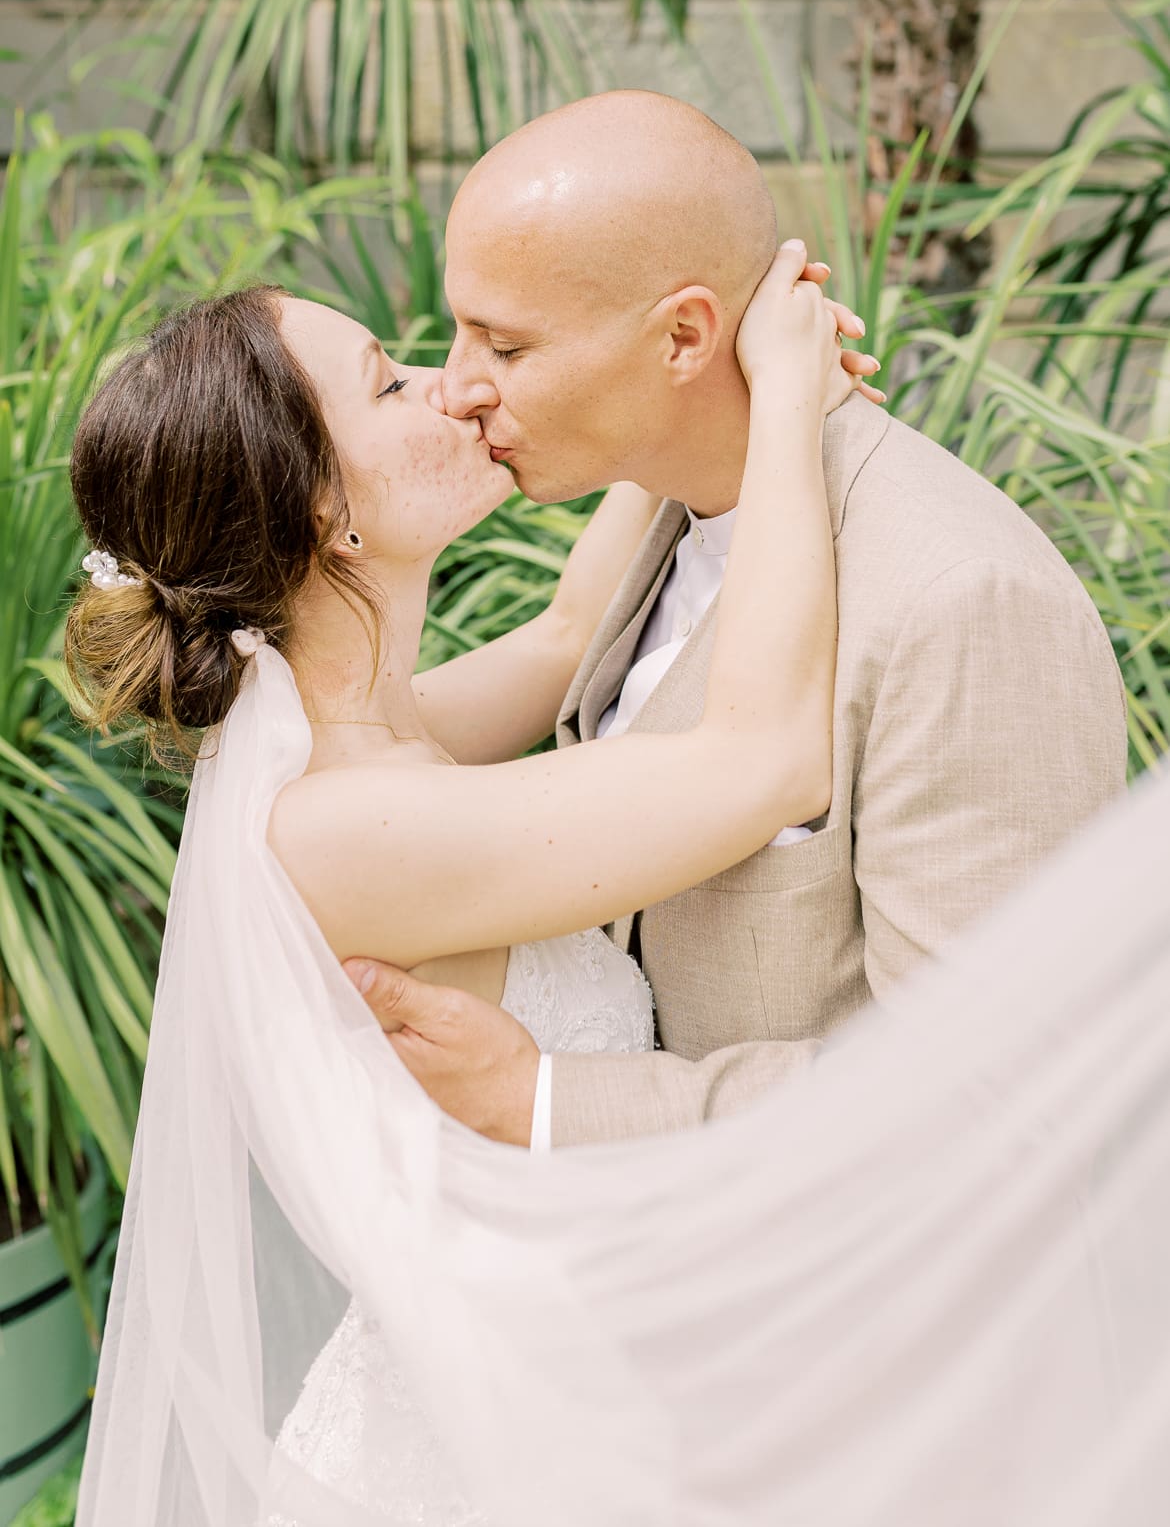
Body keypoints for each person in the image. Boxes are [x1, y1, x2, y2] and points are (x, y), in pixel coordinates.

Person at [69, 242, 870, 1524]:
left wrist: (688, 392)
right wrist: (784, 406)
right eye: (390, 386)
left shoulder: (375, 740)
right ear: (322, 509)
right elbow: (765, 760)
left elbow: (566, 636)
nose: (455, 388)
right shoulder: (343, 830)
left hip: (561, 1404)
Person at [347, 90, 1129, 1149]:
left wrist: (542, 1101)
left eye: (506, 345)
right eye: (457, 331)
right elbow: (573, 640)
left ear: (683, 336)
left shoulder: (961, 600)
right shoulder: (662, 511)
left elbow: (990, 1097)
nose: (458, 385)